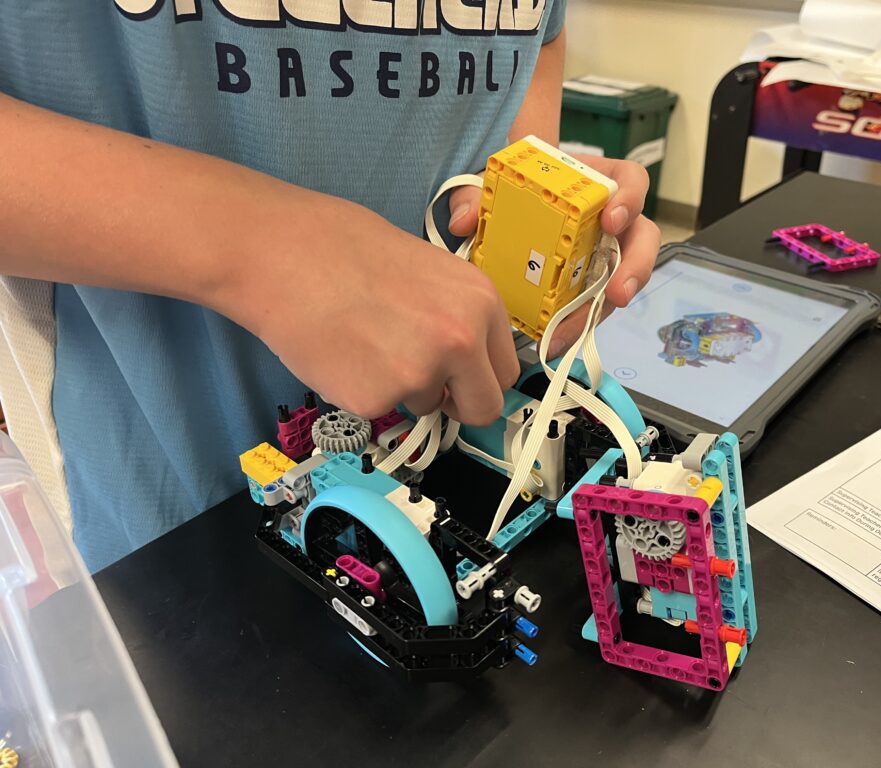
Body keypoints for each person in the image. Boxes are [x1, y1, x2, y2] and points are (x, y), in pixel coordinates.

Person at [0, 0, 659, 572]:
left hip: (465, 459)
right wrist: (263, 245)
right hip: (173, 523)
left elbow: (537, 36)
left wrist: (538, 195)